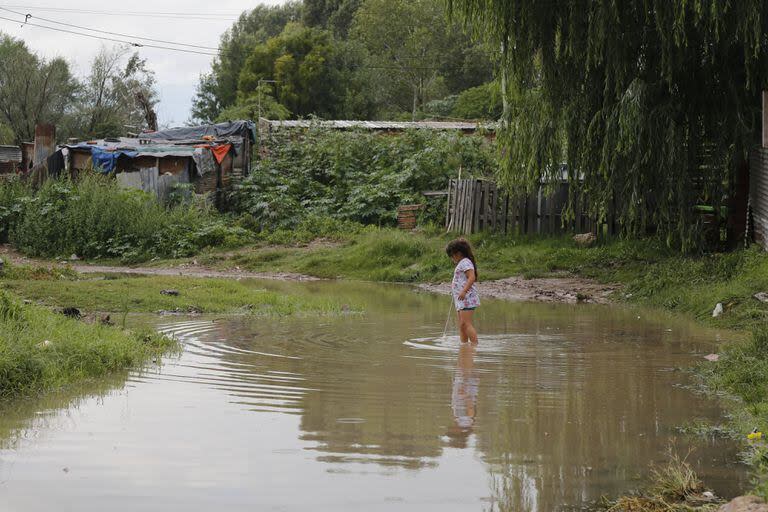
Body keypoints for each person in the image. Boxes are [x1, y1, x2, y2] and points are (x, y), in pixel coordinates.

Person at [446, 238, 479, 344]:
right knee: (462, 325)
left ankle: (475, 346)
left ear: (458, 253)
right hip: (461, 299)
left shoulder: (465, 262)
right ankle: (464, 346)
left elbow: (472, 277)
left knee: (466, 324)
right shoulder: (462, 263)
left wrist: (464, 291)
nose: (452, 259)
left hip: (467, 298)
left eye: (452, 256)